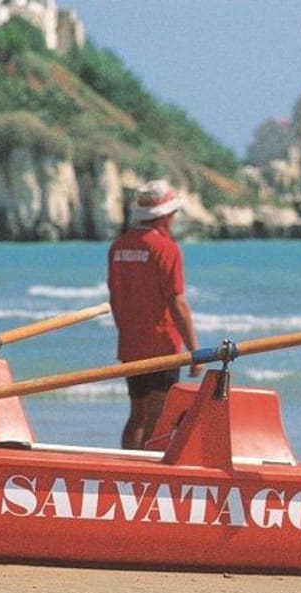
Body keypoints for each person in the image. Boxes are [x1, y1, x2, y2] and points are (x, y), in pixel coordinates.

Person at [107, 179, 200, 450]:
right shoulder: (166, 249)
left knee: (137, 413)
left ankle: (127, 469)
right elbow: (177, 303)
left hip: (131, 343)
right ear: (164, 216)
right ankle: (147, 475)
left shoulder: (119, 247)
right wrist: (194, 351)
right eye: (173, 214)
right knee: (158, 416)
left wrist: (125, 330)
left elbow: (116, 298)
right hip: (162, 345)